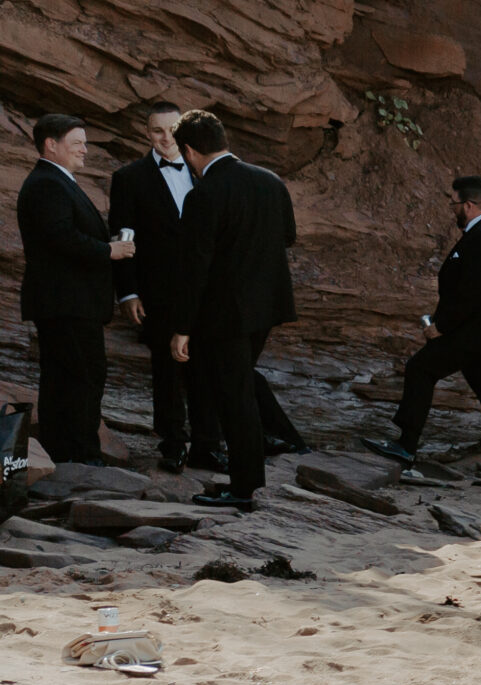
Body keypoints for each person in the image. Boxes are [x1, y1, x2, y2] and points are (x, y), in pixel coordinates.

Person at [165, 110, 297, 510]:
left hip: (224, 314)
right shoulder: (271, 181)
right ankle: (248, 481)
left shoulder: (204, 194)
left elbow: (194, 268)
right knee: (239, 389)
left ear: (189, 151)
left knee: (234, 397)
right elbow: (287, 237)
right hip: (266, 306)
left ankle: (244, 488)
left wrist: (182, 327)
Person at [365, 176, 481, 488]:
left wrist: (441, 326)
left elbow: (471, 291)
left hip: (472, 334)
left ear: (469, 205)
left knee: (420, 369)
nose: (452, 210)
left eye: (454, 204)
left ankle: (406, 446)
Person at [15, 113, 137, 465]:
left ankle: (64, 452)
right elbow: (60, 236)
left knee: (65, 377)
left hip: (68, 301)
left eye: (85, 143)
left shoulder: (55, 180)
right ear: (51, 144)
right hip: (66, 301)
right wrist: (108, 250)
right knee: (81, 376)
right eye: (77, 143)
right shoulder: (47, 183)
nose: (85, 149)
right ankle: (80, 456)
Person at [109, 102, 216, 472]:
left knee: (206, 367)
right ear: (146, 133)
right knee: (166, 370)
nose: (166, 137)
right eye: (157, 130)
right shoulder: (129, 178)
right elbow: (122, 237)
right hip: (158, 290)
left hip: (206, 289)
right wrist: (128, 292)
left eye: (172, 129)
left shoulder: (206, 170)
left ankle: (207, 446)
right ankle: (173, 444)